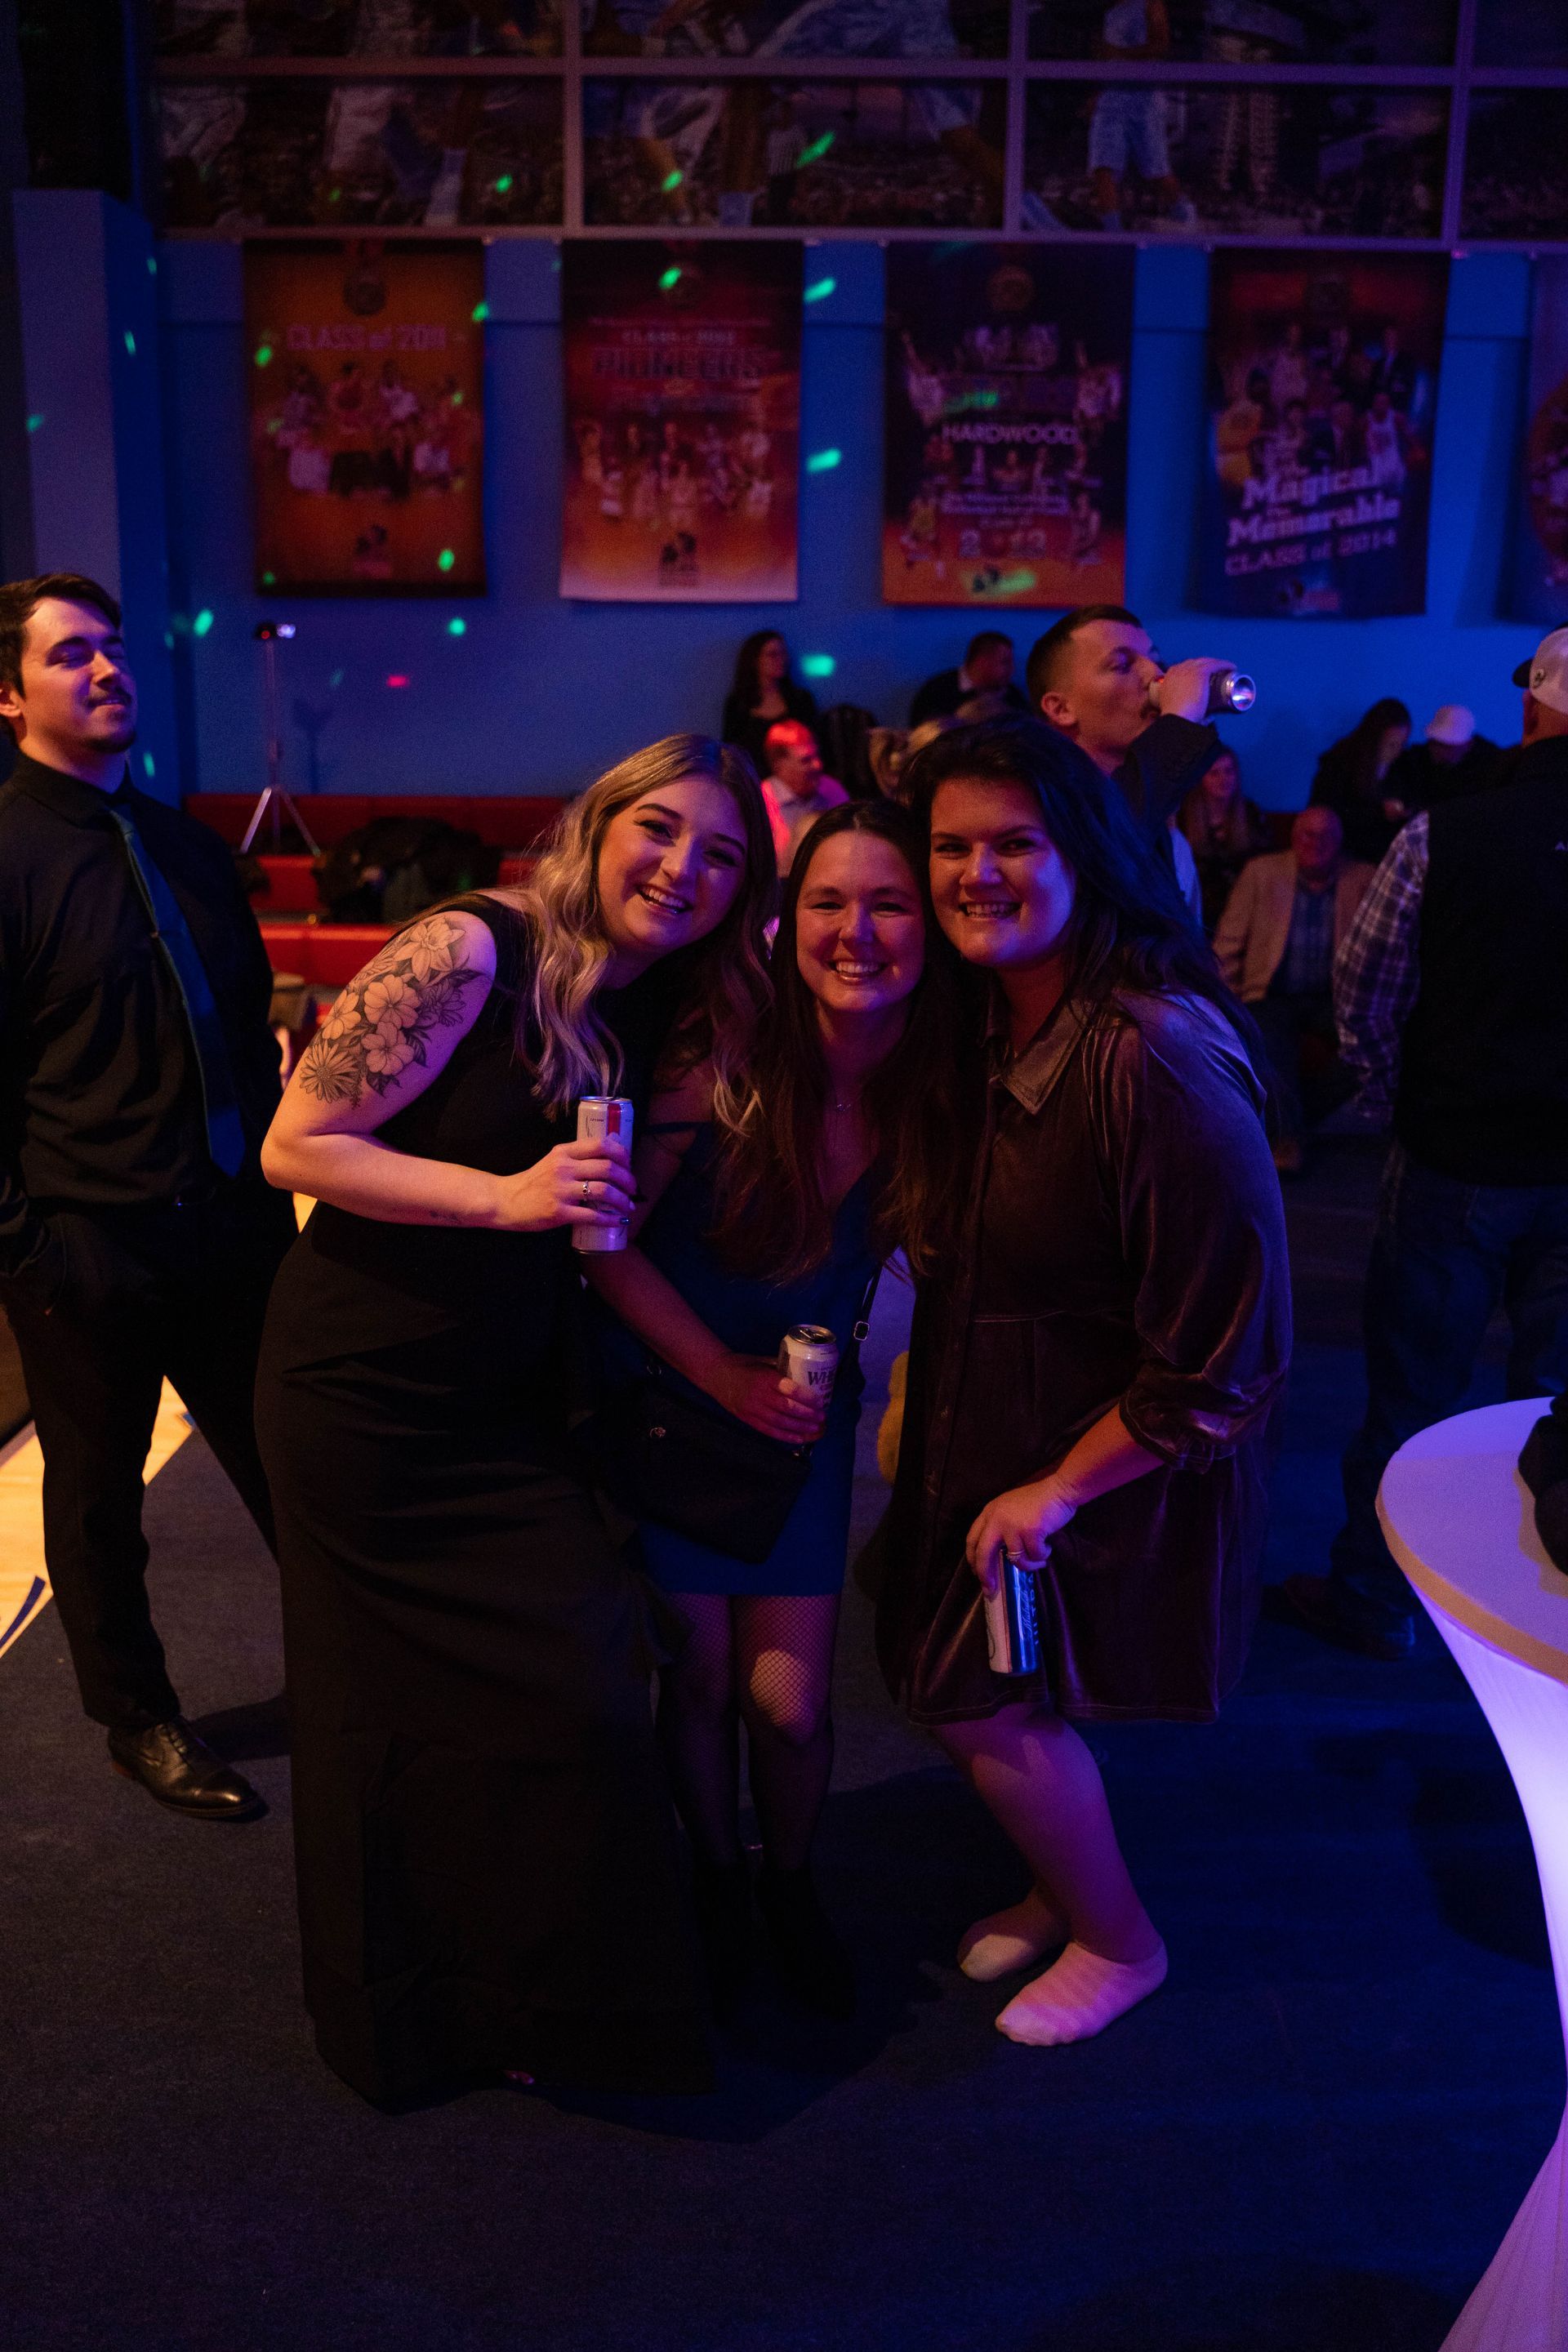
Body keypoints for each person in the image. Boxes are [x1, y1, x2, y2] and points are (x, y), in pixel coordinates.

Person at [253, 735, 777, 2107]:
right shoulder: (472, 949)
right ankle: (424, 2011)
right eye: (660, 830)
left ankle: (543, 1993)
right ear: (598, 827)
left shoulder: (650, 1008)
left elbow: (617, 1227)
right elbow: (294, 1146)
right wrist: (503, 1199)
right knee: (384, 1714)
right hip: (362, 1395)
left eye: (722, 856)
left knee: (581, 1688)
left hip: (503, 1402)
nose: (683, 868)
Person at [875, 716, 1290, 2050]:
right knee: (1000, 1688)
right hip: (988, 1428)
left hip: (1094, 1459)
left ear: (1085, 854)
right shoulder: (994, 1020)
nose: (976, 875)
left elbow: (1230, 1355)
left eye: (1014, 844)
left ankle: (1122, 1938)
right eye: (951, 848)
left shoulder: (1151, 1051)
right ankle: (1062, 1888)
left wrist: (1060, 1489)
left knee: (971, 1696)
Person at [587, 800, 965, 2020]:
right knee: (697, 1679)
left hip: (802, 1422)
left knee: (788, 1703)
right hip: (675, 1396)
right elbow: (606, 1249)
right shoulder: (724, 1060)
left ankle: (790, 1881)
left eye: (890, 903)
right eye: (827, 903)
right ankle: (715, 1877)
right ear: (784, 921)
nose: (857, 932)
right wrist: (718, 1374)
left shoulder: (937, 1086)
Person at [0, 572, 297, 1822]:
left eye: (113, 648)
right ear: (10, 694)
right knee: (99, 1502)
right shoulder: (6, 854)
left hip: (234, 1230)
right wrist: (36, 1246)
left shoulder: (183, 842)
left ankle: (361, 1683)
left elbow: (242, 1021)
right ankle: (139, 1719)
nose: (107, 667)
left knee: (302, 1474)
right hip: (92, 1246)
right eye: (72, 654)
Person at [1276, 630, 1568, 1663]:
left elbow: (1367, 991)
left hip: (1455, 1155)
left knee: (1413, 1395)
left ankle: (1375, 1598)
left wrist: (1403, 1101)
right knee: (1559, 1411)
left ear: (1534, 708)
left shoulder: (1449, 832)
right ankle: (1531, 1624)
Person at [1026, 603, 1238, 913]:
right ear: (1061, 709)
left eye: (1155, 659)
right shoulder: (1037, 810)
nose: (1155, 674)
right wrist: (1180, 725)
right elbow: (1105, 839)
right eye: (1122, 665)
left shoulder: (1171, 841)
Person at [1213, 806, 1374, 1174]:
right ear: (1293, 838)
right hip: (1272, 992)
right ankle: (1286, 1139)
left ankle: (1293, 1125)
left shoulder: (1363, 878)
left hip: (1334, 996)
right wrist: (1226, 1001)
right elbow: (1228, 944)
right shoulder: (1262, 874)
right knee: (1268, 1042)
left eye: (1326, 836)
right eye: (1307, 834)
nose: (1316, 844)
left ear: (1341, 841)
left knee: (1371, 1047)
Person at [1176, 743, 1269, 933]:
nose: (1223, 779)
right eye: (1214, 773)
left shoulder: (1251, 815)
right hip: (1198, 911)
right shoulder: (1184, 818)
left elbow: (1264, 864)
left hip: (1244, 909)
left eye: (1229, 771)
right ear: (1200, 778)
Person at [1307, 697, 1411, 865]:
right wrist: (1379, 813)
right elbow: (1328, 815)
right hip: (1341, 858)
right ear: (1375, 740)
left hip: (1380, 860)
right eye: (1392, 745)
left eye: (1402, 745)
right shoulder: (1339, 764)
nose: (1397, 752)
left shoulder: (1400, 769)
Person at [721, 630, 818, 776]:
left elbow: (814, 744)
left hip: (797, 779)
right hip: (755, 779)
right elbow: (731, 752)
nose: (781, 660)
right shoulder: (738, 704)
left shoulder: (800, 699)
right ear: (754, 660)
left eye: (783, 653)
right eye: (772, 654)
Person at [761, 718, 849, 874]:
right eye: (806, 760)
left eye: (816, 756)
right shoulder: (761, 801)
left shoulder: (832, 790)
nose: (818, 765)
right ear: (779, 765)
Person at [1383, 703, 1503, 816]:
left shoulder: (1491, 767)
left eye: (1448, 746)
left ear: (1467, 745)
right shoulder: (1413, 761)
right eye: (1436, 743)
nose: (1439, 751)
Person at [909, 630, 1030, 729]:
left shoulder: (1012, 695)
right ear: (982, 662)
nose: (1012, 670)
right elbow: (919, 734)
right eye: (1005, 662)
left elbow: (1029, 730)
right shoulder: (937, 690)